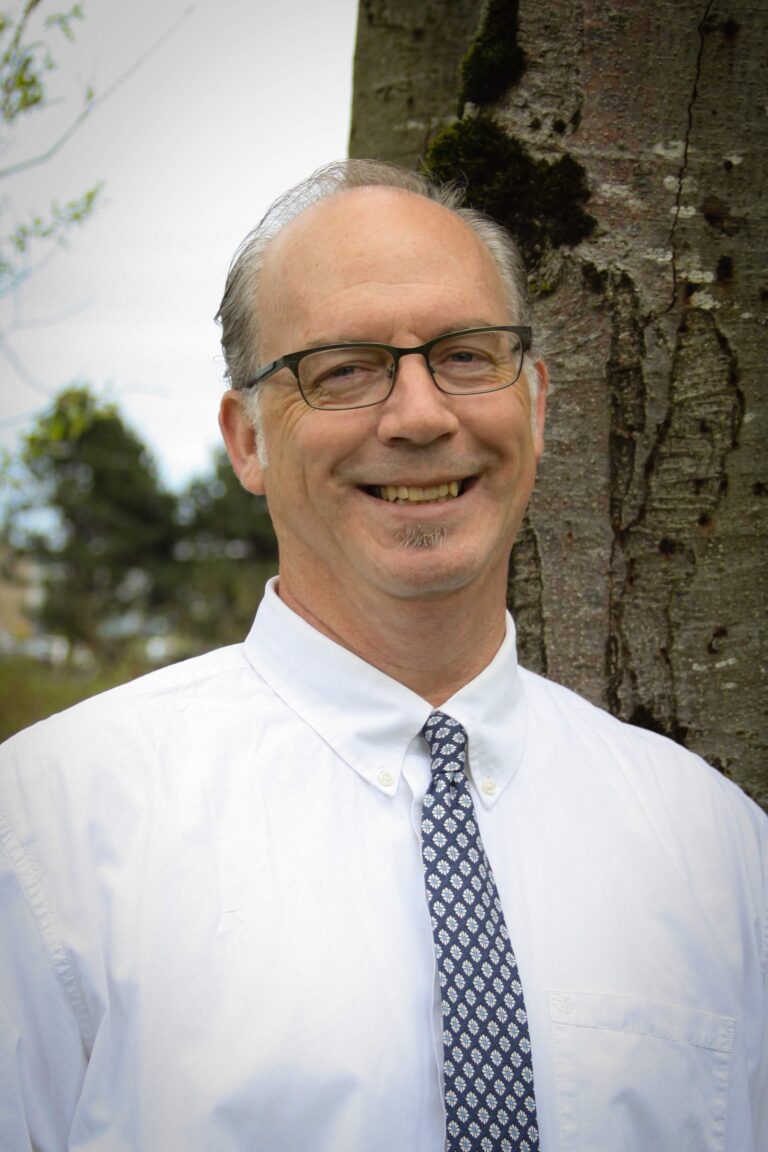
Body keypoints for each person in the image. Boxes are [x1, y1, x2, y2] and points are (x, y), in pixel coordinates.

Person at [0, 159, 765, 1152]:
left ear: (535, 406)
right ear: (246, 441)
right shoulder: (47, 839)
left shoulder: (719, 853)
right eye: (345, 368)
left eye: (466, 355)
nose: (418, 416)